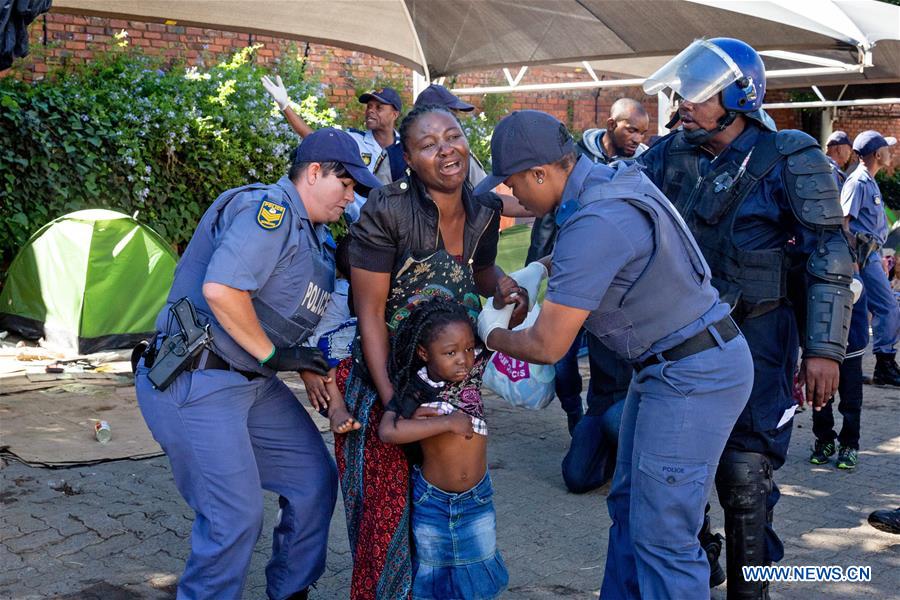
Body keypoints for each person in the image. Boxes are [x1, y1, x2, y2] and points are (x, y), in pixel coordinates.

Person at [474, 109, 754, 600]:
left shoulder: (598, 217)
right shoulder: (606, 180)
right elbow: (604, 255)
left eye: (514, 182)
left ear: (541, 172)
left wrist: (488, 335)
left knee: (663, 537)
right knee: (628, 506)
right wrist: (538, 271)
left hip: (692, 374)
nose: (511, 194)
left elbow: (547, 344)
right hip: (669, 366)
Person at [639, 38, 854, 599]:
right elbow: (612, 203)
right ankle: (699, 555)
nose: (682, 102)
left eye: (697, 93)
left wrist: (825, 350)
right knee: (675, 468)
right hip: (680, 340)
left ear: (738, 95)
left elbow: (829, 252)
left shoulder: (790, 154)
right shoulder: (667, 155)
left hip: (760, 335)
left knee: (745, 472)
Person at [134, 127, 382, 600]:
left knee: (313, 480)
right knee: (234, 517)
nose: (350, 198)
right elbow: (222, 290)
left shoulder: (317, 236)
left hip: (252, 381)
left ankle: (290, 591)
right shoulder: (267, 211)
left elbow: (286, 313)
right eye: (345, 184)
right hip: (199, 378)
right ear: (313, 172)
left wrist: (301, 361)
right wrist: (276, 355)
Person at [339, 104, 523, 599]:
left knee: (447, 513)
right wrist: (393, 399)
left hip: (449, 377)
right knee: (386, 529)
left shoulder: (484, 208)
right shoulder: (388, 210)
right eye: (428, 144)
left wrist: (505, 287)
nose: (446, 149)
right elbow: (370, 314)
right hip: (384, 381)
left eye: (453, 136)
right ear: (408, 157)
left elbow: (480, 274)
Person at [525, 98, 647, 492]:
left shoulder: (638, 176)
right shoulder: (572, 165)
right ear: (612, 124)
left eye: (644, 133)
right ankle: (583, 426)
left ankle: (633, 442)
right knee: (577, 474)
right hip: (569, 290)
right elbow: (547, 230)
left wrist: (492, 337)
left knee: (618, 417)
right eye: (632, 129)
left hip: (640, 374)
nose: (638, 139)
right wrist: (532, 278)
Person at [378, 296, 509, 600]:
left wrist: (511, 296)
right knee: (434, 580)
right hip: (433, 501)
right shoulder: (417, 387)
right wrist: (448, 422)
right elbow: (389, 430)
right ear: (424, 353)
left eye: (467, 349)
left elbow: (506, 322)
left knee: (479, 575)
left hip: (477, 498)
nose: (463, 359)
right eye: (450, 353)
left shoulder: (473, 369)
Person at [262, 75, 406, 220]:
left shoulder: (407, 149)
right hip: (358, 226)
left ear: (394, 114)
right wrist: (285, 106)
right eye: (369, 106)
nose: (370, 110)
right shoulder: (353, 140)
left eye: (379, 107)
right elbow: (315, 139)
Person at [842, 131, 900, 387]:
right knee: (888, 307)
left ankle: (883, 363)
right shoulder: (858, 182)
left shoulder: (869, 181)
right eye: (887, 149)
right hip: (864, 257)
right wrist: (854, 259)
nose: (891, 153)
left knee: (881, 307)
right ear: (877, 154)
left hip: (872, 254)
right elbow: (844, 223)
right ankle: (885, 364)